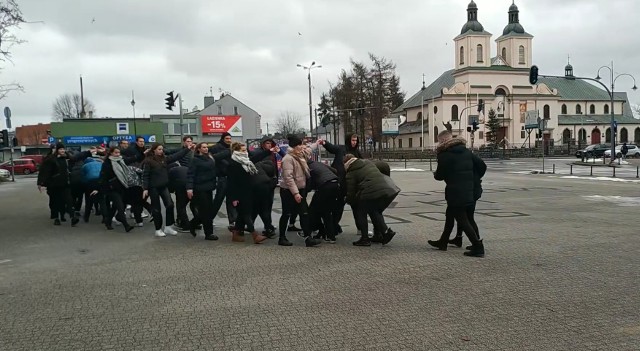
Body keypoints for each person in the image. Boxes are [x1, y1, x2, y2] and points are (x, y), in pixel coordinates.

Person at [427, 130, 485, 257]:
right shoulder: (466, 151)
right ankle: (443, 241)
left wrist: (436, 174)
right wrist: (473, 179)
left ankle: (478, 246)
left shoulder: (444, 155)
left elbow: (440, 176)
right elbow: (482, 166)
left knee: (463, 219)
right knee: (452, 215)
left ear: (442, 141)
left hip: (455, 191)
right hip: (469, 190)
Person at [344, 154, 399, 246]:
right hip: (386, 188)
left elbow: (351, 191)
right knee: (374, 211)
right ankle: (384, 233)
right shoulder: (367, 162)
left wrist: (348, 200)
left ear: (346, 164)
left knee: (360, 212)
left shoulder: (351, 172)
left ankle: (365, 239)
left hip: (370, 191)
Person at [277, 135, 321, 247]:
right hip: (288, 191)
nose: (302, 147)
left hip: (301, 190)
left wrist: (317, 143)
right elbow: (288, 177)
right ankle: (282, 237)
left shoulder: (300, 155)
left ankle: (308, 238)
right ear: (295, 146)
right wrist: (295, 193)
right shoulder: (288, 158)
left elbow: (309, 149)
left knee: (304, 213)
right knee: (286, 214)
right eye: (300, 145)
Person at [142, 142, 191, 237]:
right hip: (153, 187)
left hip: (164, 186)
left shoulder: (164, 159)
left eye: (162, 149)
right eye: (159, 149)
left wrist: (187, 149)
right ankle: (158, 229)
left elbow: (176, 156)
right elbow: (145, 175)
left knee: (170, 205)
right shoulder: (148, 161)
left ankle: (168, 226)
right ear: (154, 150)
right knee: (156, 209)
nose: (161, 151)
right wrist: (145, 188)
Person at [37, 143, 92, 226]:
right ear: (57, 150)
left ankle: (73, 217)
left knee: (69, 200)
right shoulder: (51, 159)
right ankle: (56, 218)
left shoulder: (66, 157)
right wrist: (40, 182)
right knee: (56, 202)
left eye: (63, 149)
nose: (62, 151)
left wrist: (88, 152)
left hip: (65, 184)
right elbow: (44, 171)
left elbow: (76, 157)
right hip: (54, 185)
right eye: (60, 149)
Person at [319, 134, 362, 234]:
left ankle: (360, 228)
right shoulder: (341, 149)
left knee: (356, 207)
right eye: (353, 140)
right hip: (340, 182)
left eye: (356, 140)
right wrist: (324, 143)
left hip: (353, 183)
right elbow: (333, 148)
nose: (354, 142)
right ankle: (333, 226)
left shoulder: (357, 152)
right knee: (338, 207)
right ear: (348, 140)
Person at [227, 142, 267, 244]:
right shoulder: (233, 163)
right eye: (243, 150)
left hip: (248, 191)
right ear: (237, 151)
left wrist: (268, 151)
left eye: (246, 150)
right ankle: (254, 235)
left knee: (242, 214)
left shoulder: (246, 161)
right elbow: (231, 182)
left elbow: (256, 158)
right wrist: (234, 197)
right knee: (246, 214)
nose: (246, 152)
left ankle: (235, 234)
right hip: (239, 193)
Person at [186, 142, 226, 241]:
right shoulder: (195, 160)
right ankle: (209, 233)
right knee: (205, 211)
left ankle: (192, 223)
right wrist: (189, 188)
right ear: (199, 149)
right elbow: (190, 174)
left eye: (207, 147)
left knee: (209, 210)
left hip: (209, 187)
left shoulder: (210, 158)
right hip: (199, 188)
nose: (206, 149)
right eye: (203, 147)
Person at [97, 146, 142, 232]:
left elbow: (131, 159)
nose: (118, 154)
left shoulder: (121, 161)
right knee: (120, 207)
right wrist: (102, 188)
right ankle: (126, 225)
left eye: (118, 153)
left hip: (122, 187)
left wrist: (142, 153)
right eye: (116, 153)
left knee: (114, 207)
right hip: (112, 189)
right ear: (111, 153)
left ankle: (108, 222)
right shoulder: (107, 163)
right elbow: (103, 177)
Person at [447, 151, 487, 249]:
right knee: (465, 216)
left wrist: (475, 178)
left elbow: (482, 166)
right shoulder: (468, 155)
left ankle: (477, 242)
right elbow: (482, 166)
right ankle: (459, 237)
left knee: (467, 217)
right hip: (472, 188)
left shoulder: (465, 155)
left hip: (470, 190)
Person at [305, 147, 340, 243]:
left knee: (312, 209)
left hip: (325, 187)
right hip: (335, 184)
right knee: (326, 211)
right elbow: (335, 171)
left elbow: (310, 182)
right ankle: (330, 236)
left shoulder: (308, 168)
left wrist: (305, 191)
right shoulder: (318, 163)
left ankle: (309, 232)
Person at [209, 132, 237, 231]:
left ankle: (232, 221)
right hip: (222, 177)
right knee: (218, 200)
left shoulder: (232, 148)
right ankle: (209, 219)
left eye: (230, 138)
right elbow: (213, 158)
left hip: (231, 177)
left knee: (231, 200)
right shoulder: (216, 147)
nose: (229, 140)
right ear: (223, 139)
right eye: (227, 138)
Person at [167, 136, 195, 232]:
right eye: (188, 141)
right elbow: (170, 152)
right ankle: (182, 221)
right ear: (183, 142)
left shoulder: (194, 152)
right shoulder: (180, 151)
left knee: (185, 204)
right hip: (183, 178)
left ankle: (188, 223)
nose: (189, 143)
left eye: (191, 141)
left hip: (190, 179)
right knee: (182, 203)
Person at [81, 155, 103, 222]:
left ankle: (86, 217)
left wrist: (85, 187)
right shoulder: (100, 163)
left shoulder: (84, 166)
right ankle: (104, 217)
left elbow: (83, 178)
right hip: (100, 181)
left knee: (89, 200)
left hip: (90, 182)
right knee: (102, 199)